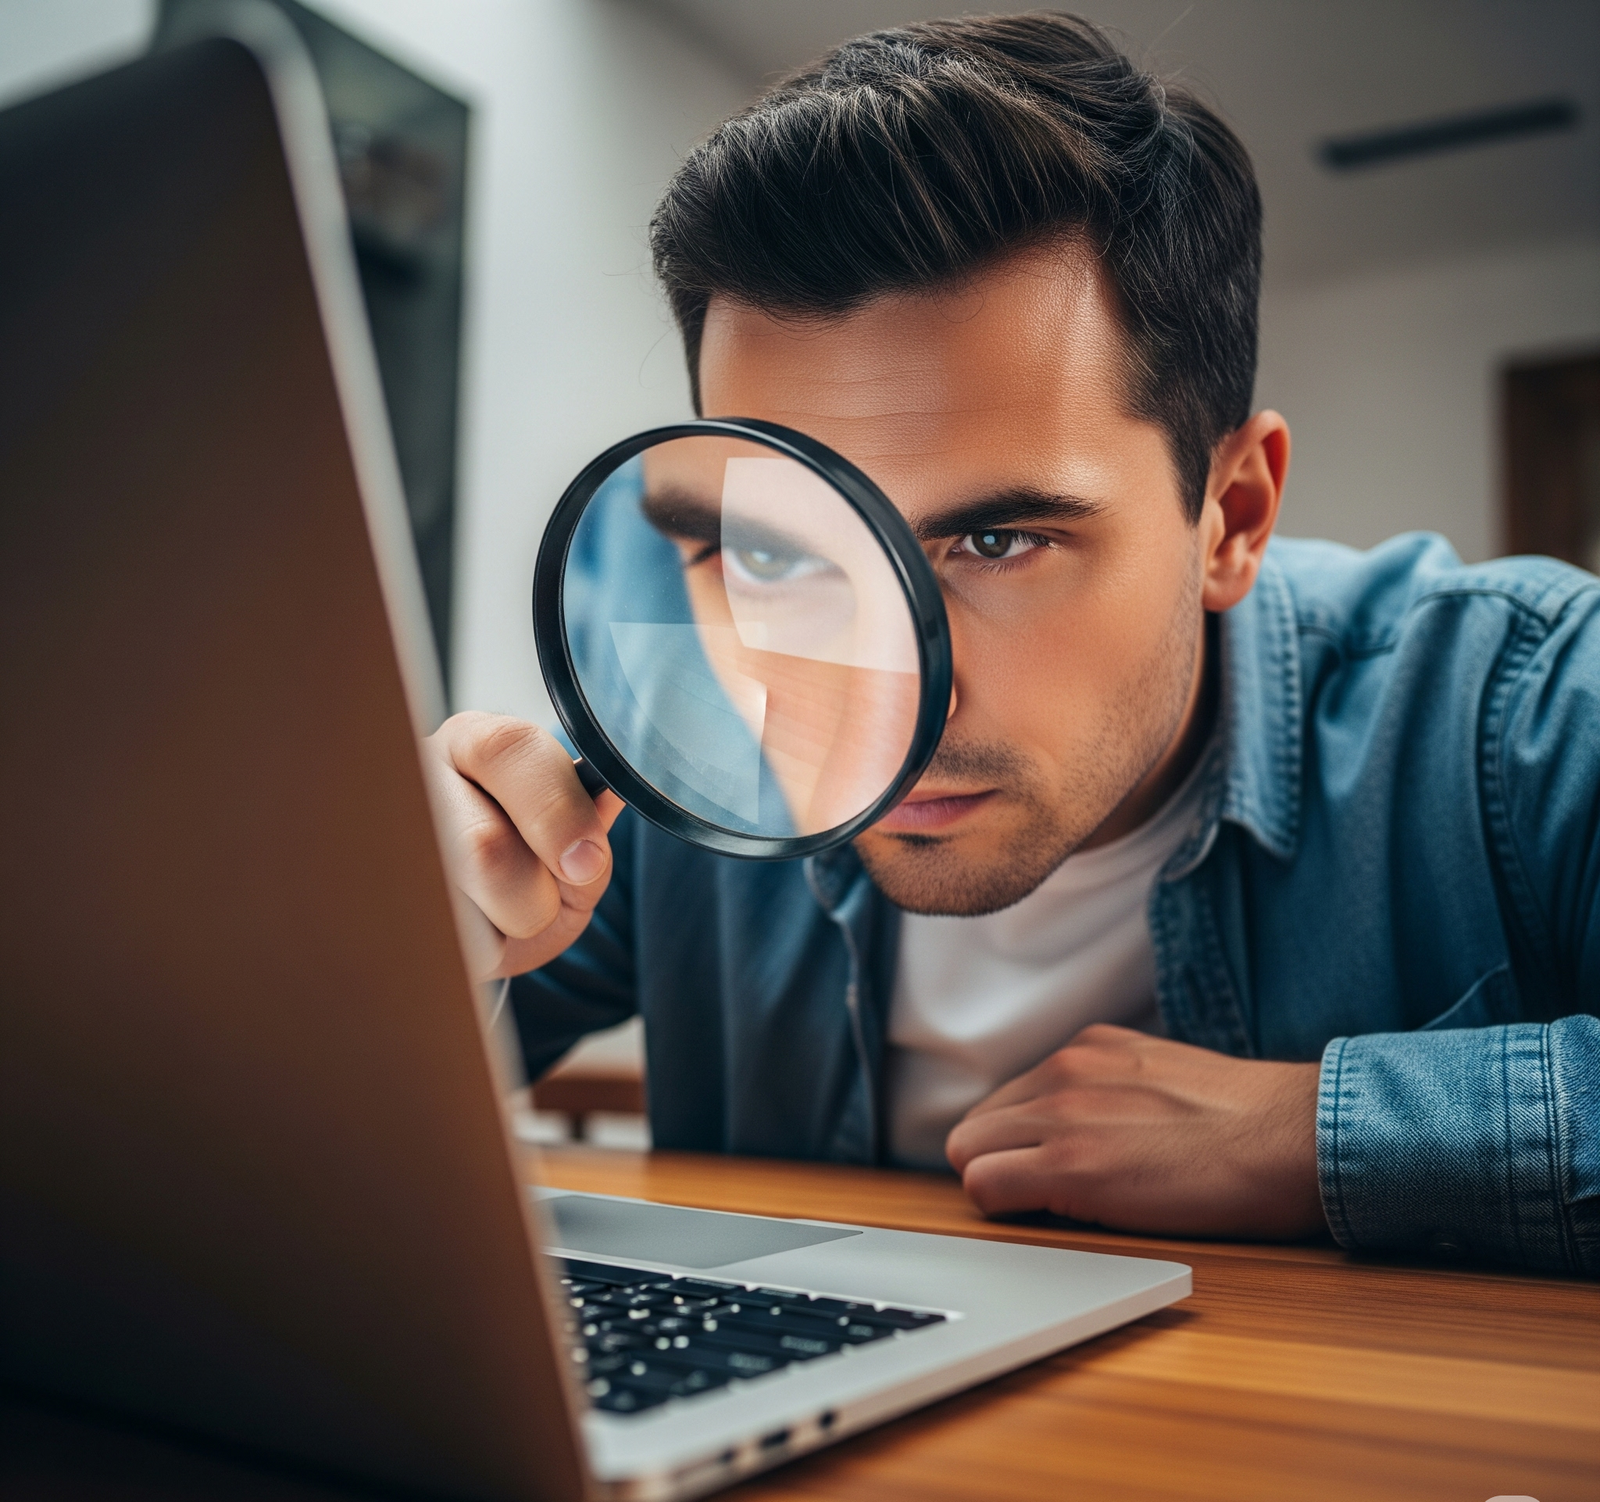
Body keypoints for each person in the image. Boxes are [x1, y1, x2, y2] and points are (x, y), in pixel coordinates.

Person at [423, 13, 1599, 1274]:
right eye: (775, 554)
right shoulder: (678, 761)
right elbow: (238, 1114)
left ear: (1231, 517)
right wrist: (375, 940)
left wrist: (1309, 1131)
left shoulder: (1516, 707)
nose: (882, 695)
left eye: (995, 544)